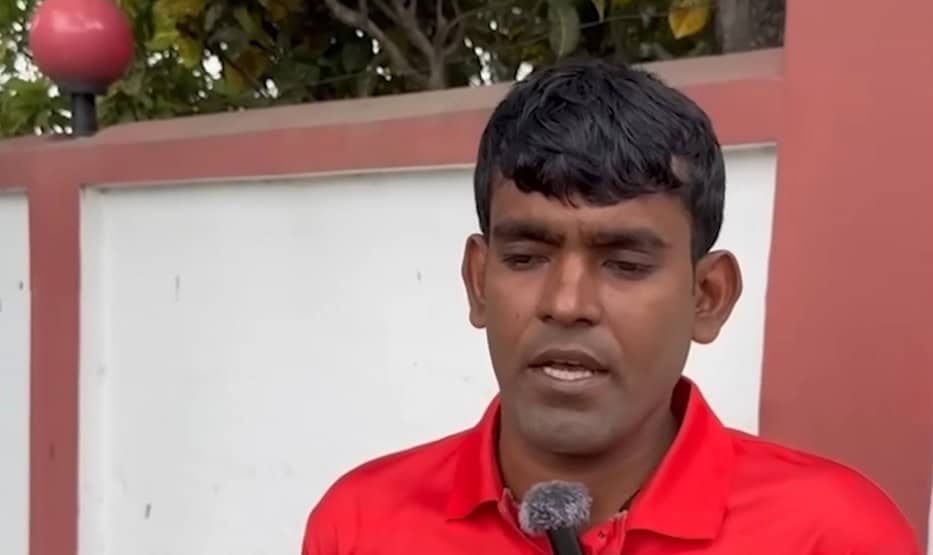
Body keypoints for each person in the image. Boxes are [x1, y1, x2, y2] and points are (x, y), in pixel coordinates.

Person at [301, 59, 921, 554]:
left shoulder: (834, 536)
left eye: (625, 264)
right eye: (526, 257)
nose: (567, 304)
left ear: (707, 297)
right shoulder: (360, 525)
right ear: (479, 282)